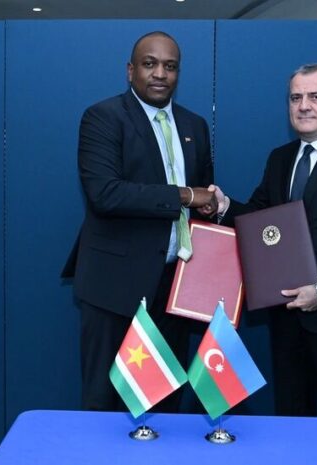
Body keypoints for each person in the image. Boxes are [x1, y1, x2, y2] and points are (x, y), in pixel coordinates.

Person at [207, 63, 317, 419]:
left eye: (315, 96)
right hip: (287, 315)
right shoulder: (280, 158)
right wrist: (224, 206)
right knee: (292, 416)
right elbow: (259, 219)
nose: (304, 106)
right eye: (295, 98)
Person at [63, 31, 217, 412]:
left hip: (173, 291)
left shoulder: (195, 126)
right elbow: (105, 194)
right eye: (150, 64)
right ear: (130, 70)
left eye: (170, 66)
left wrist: (209, 205)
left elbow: (202, 198)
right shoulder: (103, 117)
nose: (160, 73)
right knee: (105, 406)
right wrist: (184, 195)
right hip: (113, 289)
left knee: (163, 406)